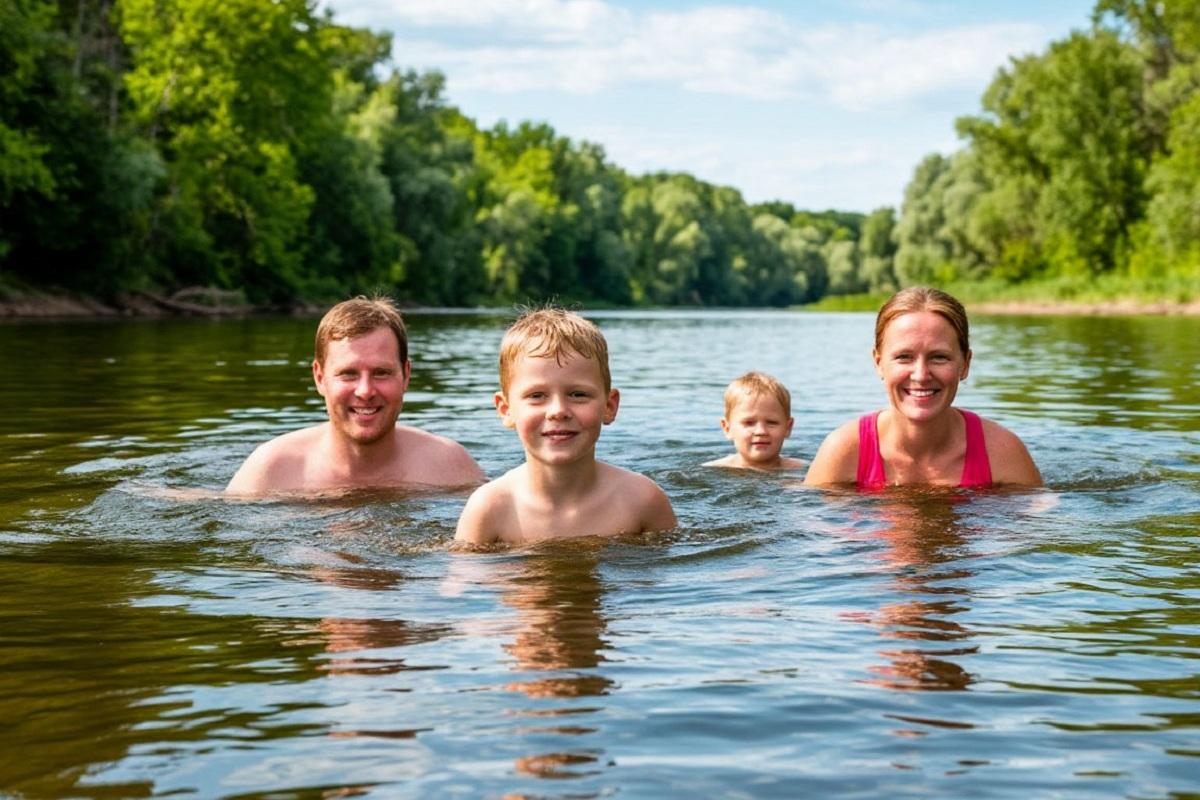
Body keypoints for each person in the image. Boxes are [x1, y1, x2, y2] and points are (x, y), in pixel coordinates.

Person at [455, 307, 676, 544]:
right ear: (506, 409)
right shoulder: (489, 509)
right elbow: (460, 579)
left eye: (578, 394)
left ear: (609, 406)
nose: (558, 411)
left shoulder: (642, 500)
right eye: (537, 395)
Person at [226, 296, 485, 495]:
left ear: (406, 375)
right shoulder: (271, 470)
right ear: (319, 377)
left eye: (381, 372)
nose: (365, 391)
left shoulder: (450, 467)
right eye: (348, 374)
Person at [804, 286, 1041, 489]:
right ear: (878, 363)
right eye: (904, 357)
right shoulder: (843, 452)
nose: (921, 375)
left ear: (965, 364)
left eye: (939, 357)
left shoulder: (1002, 453)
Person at [704, 371, 806, 471]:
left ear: (788, 428)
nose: (761, 431)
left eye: (771, 423)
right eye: (749, 423)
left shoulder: (806, 470)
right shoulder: (713, 470)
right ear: (727, 428)